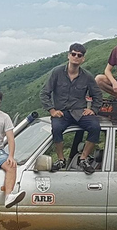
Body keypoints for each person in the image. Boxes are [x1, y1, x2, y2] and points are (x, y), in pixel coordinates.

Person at [40, 43, 103, 174]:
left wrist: (93, 110)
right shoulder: (57, 72)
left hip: (80, 113)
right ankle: (61, 159)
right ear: (68, 55)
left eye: (79, 55)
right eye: (73, 54)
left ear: (83, 59)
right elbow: (44, 93)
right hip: (61, 113)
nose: (76, 57)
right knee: (56, 129)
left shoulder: (87, 76)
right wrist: (51, 110)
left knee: (95, 127)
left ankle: (83, 159)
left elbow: (97, 94)